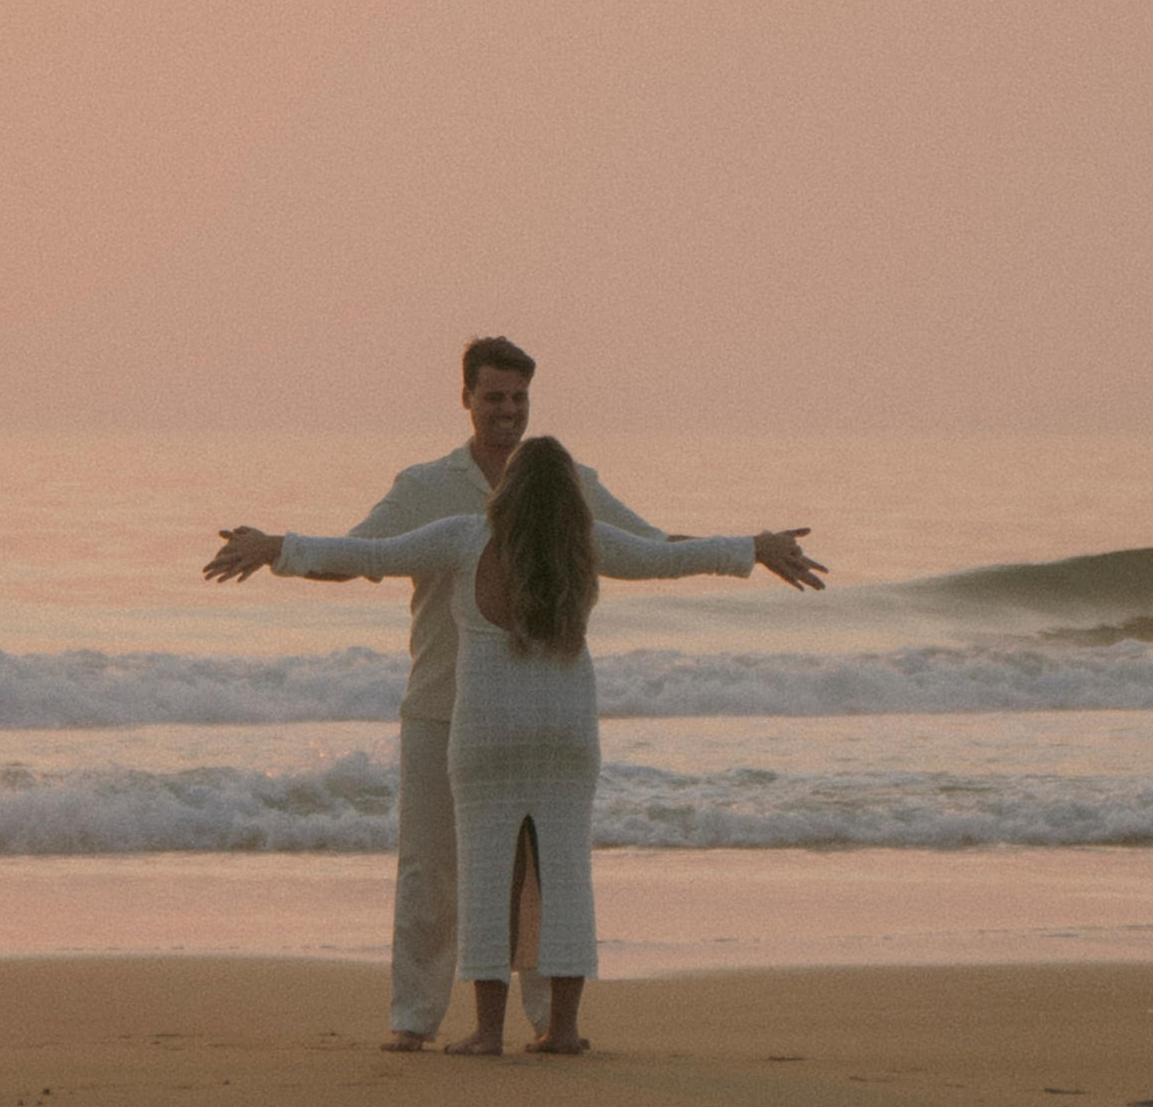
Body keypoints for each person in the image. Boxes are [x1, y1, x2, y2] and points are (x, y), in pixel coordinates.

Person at [216, 335, 820, 1049]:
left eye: (519, 398)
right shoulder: (427, 487)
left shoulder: (569, 483)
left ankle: (538, 1020)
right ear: (466, 398)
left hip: (500, 717)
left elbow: (652, 542)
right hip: (441, 701)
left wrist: (748, 545)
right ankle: (416, 1018)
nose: (508, 410)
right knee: (431, 870)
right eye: (494, 396)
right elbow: (360, 555)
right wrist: (279, 548)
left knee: (535, 874)